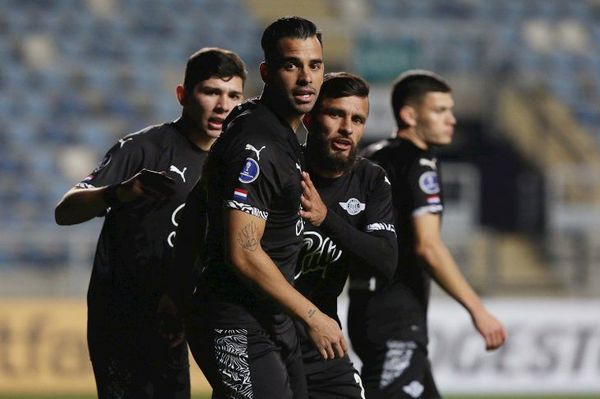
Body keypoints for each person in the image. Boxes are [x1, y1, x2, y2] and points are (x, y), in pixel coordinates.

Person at [54, 47, 246, 399]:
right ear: (183, 95)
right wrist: (117, 193)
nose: (223, 105)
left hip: (177, 315)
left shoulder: (235, 164)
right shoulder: (143, 149)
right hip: (122, 317)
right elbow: (65, 210)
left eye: (233, 95)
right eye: (211, 92)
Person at [175, 17, 347, 399]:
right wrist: (314, 315)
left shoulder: (269, 129)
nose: (306, 78)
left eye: (314, 65)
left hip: (271, 318)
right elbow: (244, 251)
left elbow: (197, 205)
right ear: (267, 72)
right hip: (233, 321)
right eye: (291, 65)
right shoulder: (259, 143)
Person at [348, 70, 508, 398]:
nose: (451, 119)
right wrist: (477, 309)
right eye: (439, 110)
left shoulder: (372, 157)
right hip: (396, 315)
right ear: (409, 114)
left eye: (450, 110)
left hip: (365, 306)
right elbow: (428, 246)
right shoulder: (419, 164)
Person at [294, 72, 398, 399]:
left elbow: (385, 261)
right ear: (309, 118)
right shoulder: (282, 168)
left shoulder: (371, 180)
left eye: (358, 119)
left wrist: (326, 219)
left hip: (321, 338)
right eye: (336, 114)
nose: (347, 128)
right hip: (264, 333)